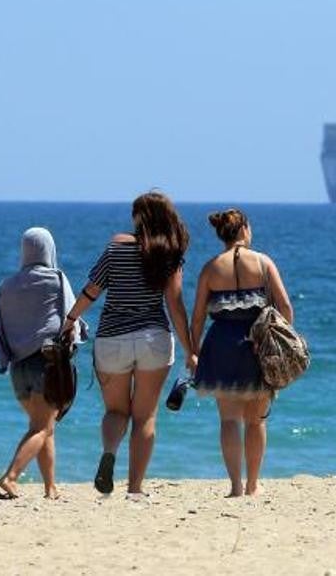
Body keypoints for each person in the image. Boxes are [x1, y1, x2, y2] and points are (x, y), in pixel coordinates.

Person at [59, 191, 194, 497]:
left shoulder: (116, 248)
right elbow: (175, 306)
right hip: (154, 340)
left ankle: (109, 453)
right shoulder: (170, 254)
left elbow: (92, 291)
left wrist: (70, 320)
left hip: (112, 340)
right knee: (144, 416)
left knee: (115, 412)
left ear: (139, 218)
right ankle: (135, 488)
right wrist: (190, 349)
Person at [190, 208, 294, 497]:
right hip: (257, 343)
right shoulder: (262, 263)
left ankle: (235, 486)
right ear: (245, 229)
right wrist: (281, 340)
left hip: (221, 343)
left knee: (228, 419)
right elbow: (285, 307)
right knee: (256, 419)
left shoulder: (211, 268)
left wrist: (193, 351)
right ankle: (252, 484)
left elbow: (197, 317)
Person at [0, 227, 86, 500]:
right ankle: (11, 477)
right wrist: (79, 338)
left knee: (44, 425)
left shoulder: (5, 286)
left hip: (18, 368)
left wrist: (4, 359)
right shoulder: (56, 279)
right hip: (47, 365)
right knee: (41, 427)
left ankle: (50, 488)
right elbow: (71, 316)